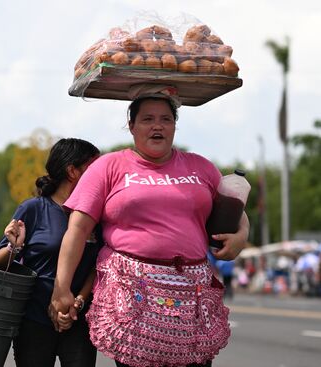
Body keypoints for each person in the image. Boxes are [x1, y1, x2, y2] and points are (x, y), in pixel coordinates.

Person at [50, 87, 250, 367]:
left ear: (175, 126)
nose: (157, 125)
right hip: (132, 295)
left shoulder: (201, 167)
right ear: (131, 126)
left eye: (166, 119)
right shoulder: (109, 166)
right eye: (147, 119)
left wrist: (241, 236)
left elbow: (237, 210)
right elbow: (78, 230)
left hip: (191, 295)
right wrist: (62, 287)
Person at [0, 138, 101, 367]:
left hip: (78, 321)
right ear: (72, 171)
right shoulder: (33, 208)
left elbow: (98, 266)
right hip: (34, 321)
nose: (101, 175)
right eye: (93, 168)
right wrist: (15, 246)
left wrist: (78, 302)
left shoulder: (96, 215)